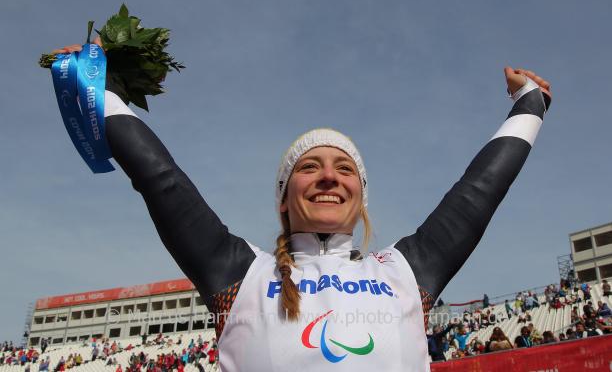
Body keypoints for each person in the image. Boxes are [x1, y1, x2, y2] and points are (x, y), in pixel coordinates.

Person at [51, 40, 552, 371]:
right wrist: (100, 90)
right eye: (310, 168)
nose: (330, 176)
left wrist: (529, 103)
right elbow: (161, 181)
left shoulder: (405, 273)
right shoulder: (240, 274)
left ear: (360, 197)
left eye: (344, 167)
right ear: (284, 200)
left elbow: (480, 191)